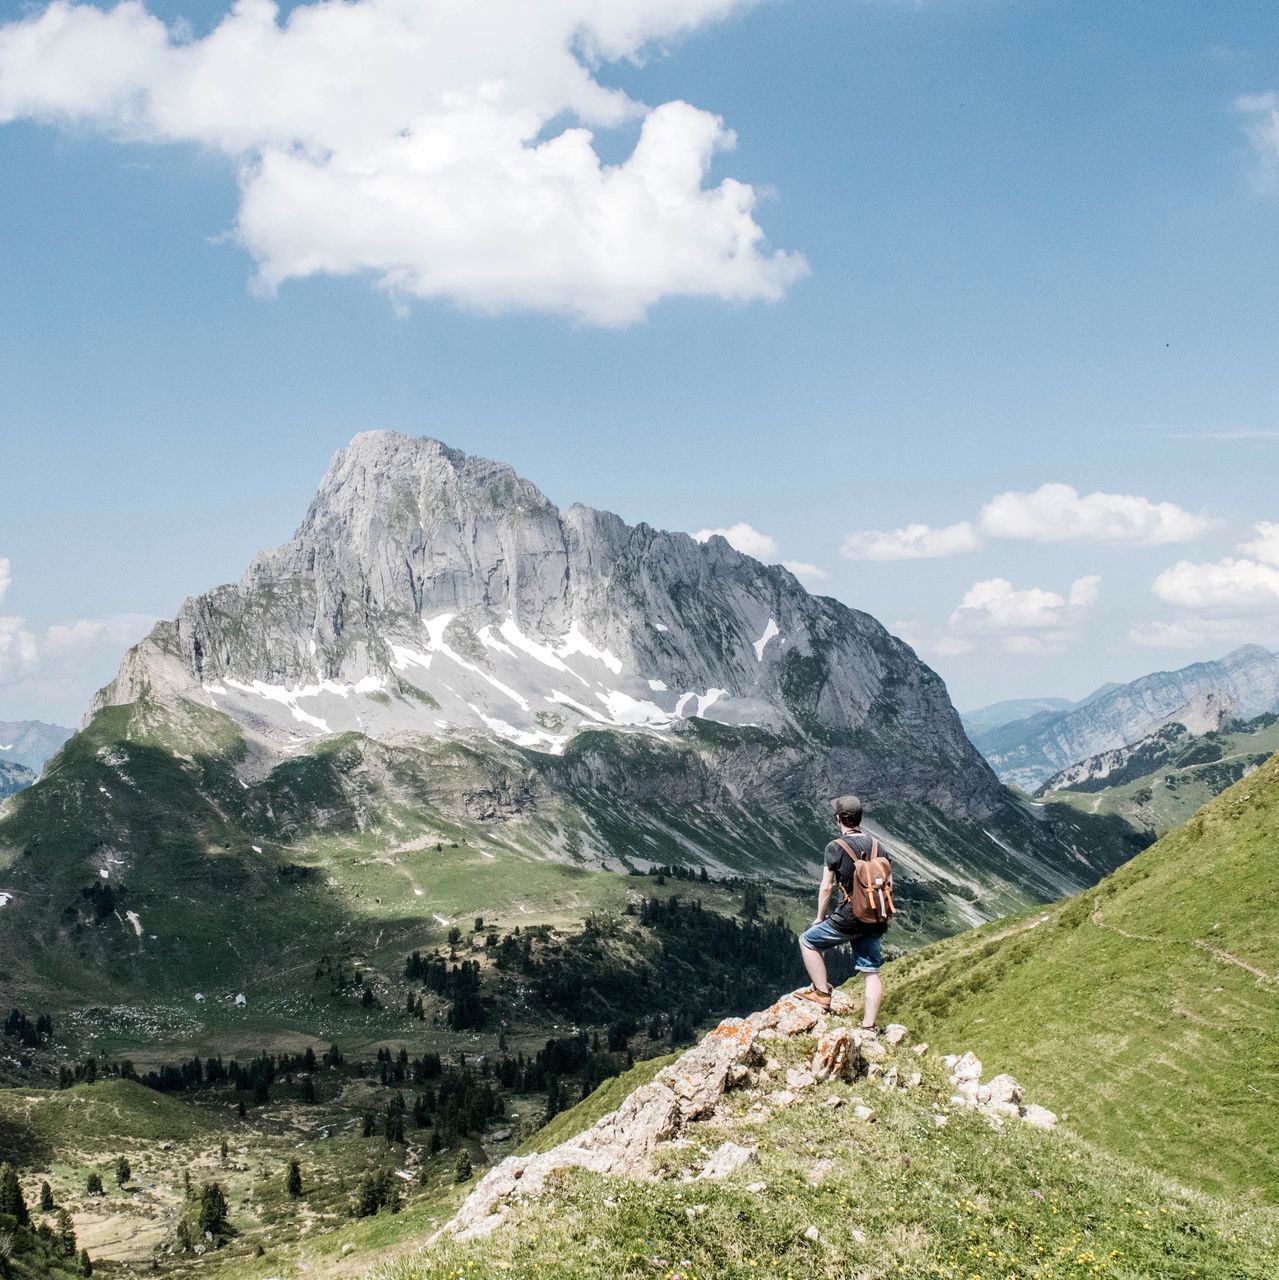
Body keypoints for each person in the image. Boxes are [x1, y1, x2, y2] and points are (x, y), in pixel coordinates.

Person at [794, 794, 891, 1026]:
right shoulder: (880, 846)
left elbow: (826, 887)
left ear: (838, 819)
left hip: (849, 917)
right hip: (875, 916)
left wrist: (819, 917)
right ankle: (869, 1026)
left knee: (808, 941)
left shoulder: (835, 847)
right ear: (859, 818)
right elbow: (888, 884)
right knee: (872, 972)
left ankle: (822, 993)